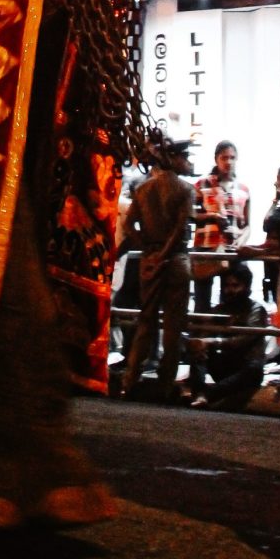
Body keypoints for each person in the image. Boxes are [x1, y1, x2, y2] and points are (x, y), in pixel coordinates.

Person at [120, 136, 195, 404]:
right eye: (184, 157)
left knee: (146, 320)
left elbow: (129, 227)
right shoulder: (185, 189)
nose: (188, 162)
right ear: (172, 158)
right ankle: (164, 385)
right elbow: (180, 229)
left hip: (149, 259)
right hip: (175, 260)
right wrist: (164, 253)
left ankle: (130, 380)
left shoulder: (143, 190)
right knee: (174, 325)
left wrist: (149, 250)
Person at [189, 260, 268, 411]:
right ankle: (199, 393)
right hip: (224, 363)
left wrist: (213, 341)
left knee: (255, 369)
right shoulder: (220, 309)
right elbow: (206, 333)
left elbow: (244, 339)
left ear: (246, 287)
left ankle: (205, 394)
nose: (229, 290)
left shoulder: (257, 310)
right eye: (227, 286)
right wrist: (200, 342)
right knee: (197, 349)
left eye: (235, 286)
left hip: (244, 366)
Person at [190, 139, 251, 313]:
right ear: (216, 159)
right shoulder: (201, 185)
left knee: (231, 298)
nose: (228, 162)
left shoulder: (243, 189)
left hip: (232, 250)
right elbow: (190, 215)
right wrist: (212, 216)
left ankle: (225, 338)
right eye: (224, 157)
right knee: (202, 298)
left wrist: (242, 241)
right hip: (205, 247)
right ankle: (200, 336)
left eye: (232, 158)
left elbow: (247, 224)